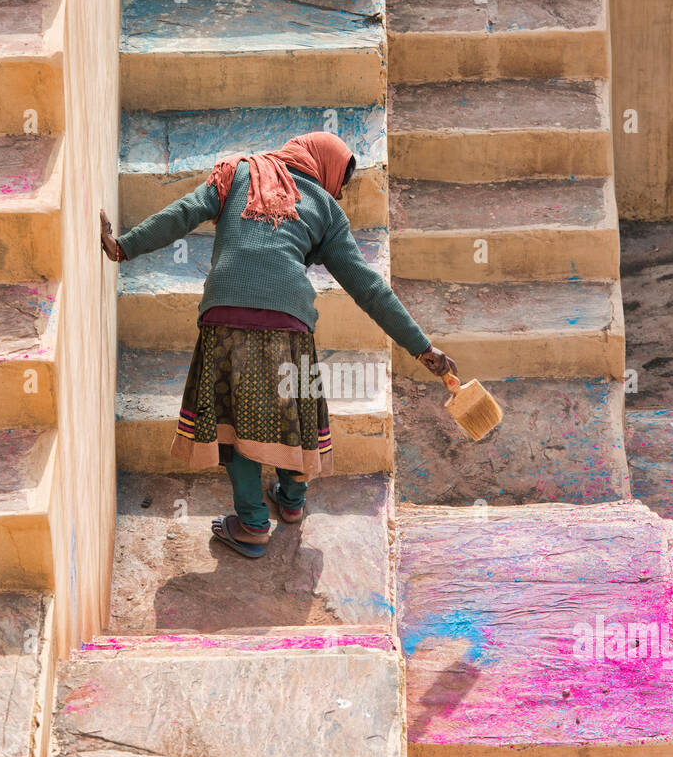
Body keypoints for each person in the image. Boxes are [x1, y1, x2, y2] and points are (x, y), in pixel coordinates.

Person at [100, 131, 457, 558]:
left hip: (227, 314)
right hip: (289, 323)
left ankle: (251, 523)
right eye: (340, 180)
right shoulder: (326, 209)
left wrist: (124, 247)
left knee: (234, 420)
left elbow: (186, 211)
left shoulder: (238, 173)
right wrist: (423, 348)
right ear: (323, 166)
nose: (337, 190)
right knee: (293, 408)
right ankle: (290, 502)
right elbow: (369, 288)